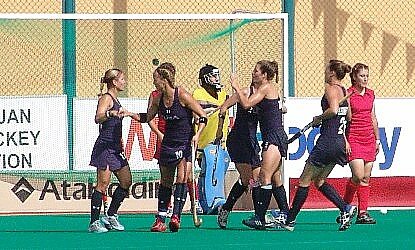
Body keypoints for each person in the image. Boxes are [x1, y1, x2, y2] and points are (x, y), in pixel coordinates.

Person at [278, 59, 357, 232]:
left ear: (332, 73)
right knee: (319, 180)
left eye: (327, 69)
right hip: (338, 142)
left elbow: (334, 110)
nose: (324, 72)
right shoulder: (344, 90)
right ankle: (345, 208)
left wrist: (319, 118)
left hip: (327, 141)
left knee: (304, 180)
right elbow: (348, 117)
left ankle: (289, 220)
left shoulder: (330, 89)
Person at [127, 62, 207, 232]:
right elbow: (147, 117)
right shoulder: (158, 99)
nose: (154, 83)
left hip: (184, 143)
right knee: (165, 181)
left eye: (155, 79)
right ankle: (160, 218)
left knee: (182, 179)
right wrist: (129, 114)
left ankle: (176, 216)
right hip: (168, 143)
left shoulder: (183, 95)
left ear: (164, 80)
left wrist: (197, 134)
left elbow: (203, 116)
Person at [230, 60, 290, 230]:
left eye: (256, 71)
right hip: (274, 136)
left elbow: (247, 103)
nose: (253, 73)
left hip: (273, 137)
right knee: (275, 177)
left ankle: (259, 218)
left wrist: (236, 86)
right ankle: (286, 214)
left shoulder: (265, 88)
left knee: (264, 177)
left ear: (264, 75)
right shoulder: (269, 88)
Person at [88, 68, 132, 233]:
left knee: (126, 181)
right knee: (102, 184)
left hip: (115, 148)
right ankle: (94, 222)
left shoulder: (116, 99)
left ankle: (111, 215)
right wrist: (111, 113)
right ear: (114, 82)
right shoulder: (106, 98)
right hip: (105, 147)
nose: (124, 82)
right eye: (122, 79)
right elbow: (98, 117)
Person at [216, 81, 261, 229]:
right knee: (247, 179)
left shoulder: (264, 95)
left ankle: (258, 216)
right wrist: (219, 130)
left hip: (252, 142)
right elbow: (223, 108)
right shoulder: (243, 93)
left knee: (256, 179)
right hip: (238, 141)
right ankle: (226, 209)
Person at [341, 63, 379, 224]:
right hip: (354, 139)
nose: (365, 79)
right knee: (357, 175)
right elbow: (342, 121)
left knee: (366, 177)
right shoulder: (348, 94)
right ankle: (345, 208)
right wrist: (345, 141)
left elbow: (373, 117)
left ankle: (362, 212)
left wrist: (377, 139)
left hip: (369, 139)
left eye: (367, 76)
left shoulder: (370, 94)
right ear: (354, 77)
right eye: (362, 76)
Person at [192, 64, 230, 214]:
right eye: (213, 76)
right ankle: (202, 201)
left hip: (219, 140)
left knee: (217, 171)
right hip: (203, 139)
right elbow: (199, 110)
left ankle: (215, 199)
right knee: (204, 171)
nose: (216, 79)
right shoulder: (198, 93)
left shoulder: (223, 94)